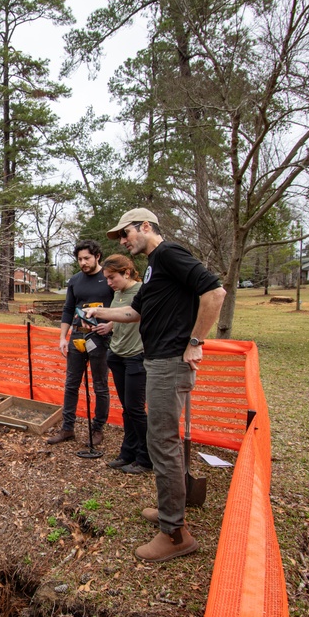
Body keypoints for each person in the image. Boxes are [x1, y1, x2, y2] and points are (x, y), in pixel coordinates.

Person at [86, 209, 225, 563]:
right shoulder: (152, 268)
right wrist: (100, 314)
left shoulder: (168, 253)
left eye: (126, 233)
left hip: (169, 361)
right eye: (118, 237)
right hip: (157, 359)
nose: (122, 241)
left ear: (146, 227)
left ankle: (175, 534)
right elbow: (135, 312)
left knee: (162, 443)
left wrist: (196, 341)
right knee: (162, 441)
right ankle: (170, 510)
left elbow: (215, 293)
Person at [47, 239, 113, 447]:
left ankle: (98, 429)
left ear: (97, 257)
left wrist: (111, 325)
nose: (83, 263)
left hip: (101, 338)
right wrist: (62, 338)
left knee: (100, 386)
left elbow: (123, 308)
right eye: (79, 259)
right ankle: (68, 428)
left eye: (87, 258)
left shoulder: (109, 278)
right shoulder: (75, 280)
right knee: (71, 383)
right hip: (77, 336)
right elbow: (68, 309)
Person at [101, 254, 152, 475]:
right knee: (127, 409)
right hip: (117, 354)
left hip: (136, 355)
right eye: (107, 279)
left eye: (112, 277)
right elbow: (121, 315)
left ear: (127, 272)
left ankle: (147, 457)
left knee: (135, 409)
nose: (109, 283)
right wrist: (109, 325)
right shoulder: (119, 293)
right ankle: (128, 453)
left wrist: (102, 313)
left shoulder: (142, 291)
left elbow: (137, 315)